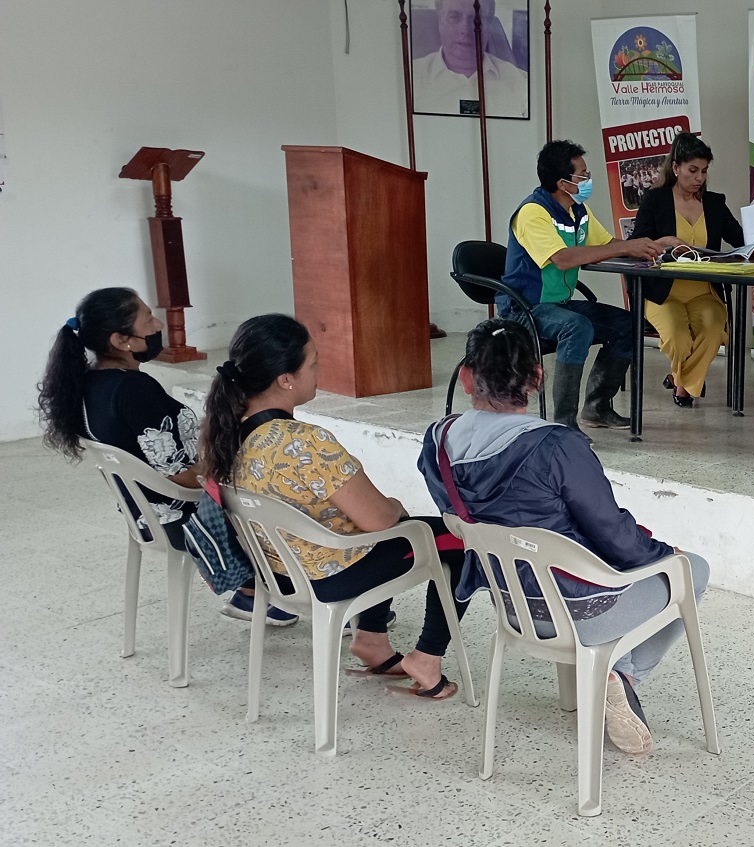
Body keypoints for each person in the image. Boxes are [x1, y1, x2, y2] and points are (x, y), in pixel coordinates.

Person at [418, 319, 710, 754]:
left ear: (465, 377)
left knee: (606, 556)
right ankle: (623, 675)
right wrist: (666, 553)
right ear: (537, 377)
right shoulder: (557, 445)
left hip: (512, 605)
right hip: (581, 610)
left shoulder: (437, 441)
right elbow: (612, 534)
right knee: (693, 569)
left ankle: (613, 671)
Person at [201, 315, 470, 699]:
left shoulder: (229, 434)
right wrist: (396, 505)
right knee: (458, 538)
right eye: (313, 363)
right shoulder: (302, 441)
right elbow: (379, 519)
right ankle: (426, 659)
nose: (319, 372)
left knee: (377, 525)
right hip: (328, 576)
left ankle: (373, 640)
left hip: (278, 573)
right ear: (285, 379)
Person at [36, 288, 299, 626]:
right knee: (289, 485)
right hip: (184, 520)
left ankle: (250, 591)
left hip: (144, 516)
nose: (158, 324)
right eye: (148, 319)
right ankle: (274, 591)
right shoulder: (133, 390)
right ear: (121, 340)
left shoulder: (89, 383)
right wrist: (231, 461)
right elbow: (181, 475)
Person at [501, 139, 671, 435]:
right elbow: (563, 259)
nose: (588, 180)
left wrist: (653, 245)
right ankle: (564, 422)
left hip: (560, 305)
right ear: (562, 183)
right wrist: (626, 247)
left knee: (629, 325)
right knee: (577, 327)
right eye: (583, 175)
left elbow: (607, 244)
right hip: (526, 308)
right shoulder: (533, 212)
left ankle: (597, 407)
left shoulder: (578, 210)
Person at [628, 133, 745, 407]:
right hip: (663, 292)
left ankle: (680, 381)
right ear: (675, 167)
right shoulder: (655, 200)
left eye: (704, 171)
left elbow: (741, 240)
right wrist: (663, 242)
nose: (699, 178)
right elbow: (636, 243)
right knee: (678, 340)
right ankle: (687, 381)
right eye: (693, 170)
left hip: (704, 291)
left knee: (714, 330)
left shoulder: (714, 203)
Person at [412, 0, 528, 118]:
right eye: (454, 17)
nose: (466, 30)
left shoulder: (522, 84)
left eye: (476, 19)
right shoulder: (410, 80)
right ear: (440, 22)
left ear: (489, 26)